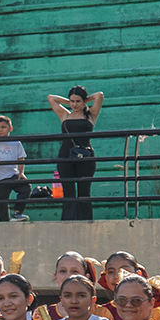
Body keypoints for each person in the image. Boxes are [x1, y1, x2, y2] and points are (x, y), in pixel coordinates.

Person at [48, 85, 103, 220]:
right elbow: (51, 98)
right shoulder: (65, 115)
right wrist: (69, 102)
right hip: (65, 156)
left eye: (78, 101)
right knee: (68, 192)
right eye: (72, 101)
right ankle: (67, 222)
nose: (74, 104)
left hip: (86, 156)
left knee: (84, 192)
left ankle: (85, 221)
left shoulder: (90, 115)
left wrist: (85, 100)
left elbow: (99, 95)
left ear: (83, 101)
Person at [0, 115, 31, 221]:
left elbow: (21, 158)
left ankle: (18, 212)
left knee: (25, 187)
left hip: (12, 174)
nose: (0, 130)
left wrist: (21, 172)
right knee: (2, 200)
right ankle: (4, 221)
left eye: (3, 127)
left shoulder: (16, 142)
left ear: (10, 128)